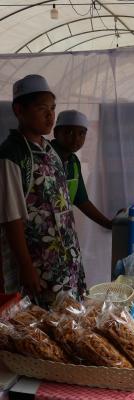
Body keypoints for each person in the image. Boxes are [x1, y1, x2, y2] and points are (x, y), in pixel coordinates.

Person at [0, 75, 86, 307]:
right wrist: (26, 267)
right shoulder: (12, 156)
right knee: (46, 322)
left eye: (52, 109)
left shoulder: (49, 150)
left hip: (67, 261)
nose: (50, 116)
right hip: (40, 267)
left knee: (72, 318)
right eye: (41, 109)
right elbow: (11, 218)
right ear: (19, 110)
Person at [51, 110, 112, 229]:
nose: (76, 139)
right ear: (56, 133)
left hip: (62, 229)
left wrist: (108, 223)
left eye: (81, 134)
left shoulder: (73, 162)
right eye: (69, 132)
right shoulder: (43, 157)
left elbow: (81, 200)